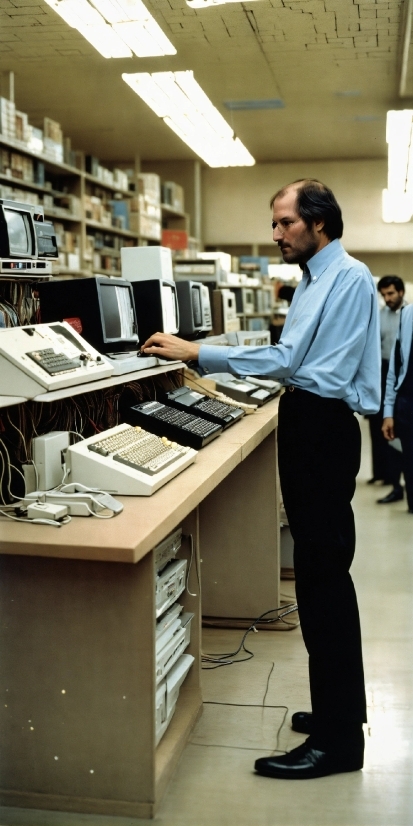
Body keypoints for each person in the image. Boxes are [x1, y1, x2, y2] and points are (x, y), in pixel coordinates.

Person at [141, 179, 381, 779]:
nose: (275, 235)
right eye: (275, 224)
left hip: (321, 427)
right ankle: (337, 712)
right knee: (317, 577)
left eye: (285, 223)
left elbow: (288, 361)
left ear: (319, 223)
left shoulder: (346, 278)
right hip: (309, 420)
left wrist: (199, 354)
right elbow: (291, 359)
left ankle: (339, 743)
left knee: (323, 582)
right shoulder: (316, 280)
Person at [367, 275, 405, 504]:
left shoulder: (409, 315)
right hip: (383, 371)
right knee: (380, 424)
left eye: (391, 293)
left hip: (404, 372)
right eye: (384, 295)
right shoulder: (381, 316)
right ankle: (387, 477)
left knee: (400, 429)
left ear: (401, 292)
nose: (387, 298)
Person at [382, 302, 413, 514]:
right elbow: (395, 366)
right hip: (407, 402)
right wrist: (388, 411)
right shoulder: (407, 314)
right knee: (409, 461)